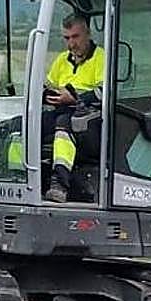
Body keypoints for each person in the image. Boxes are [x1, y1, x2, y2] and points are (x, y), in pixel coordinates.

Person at [42, 12, 105, 202]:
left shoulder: (101, 58)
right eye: (67, 38)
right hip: (62, 108)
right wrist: (48, 95)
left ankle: (59, 184)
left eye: (75, 37)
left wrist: (75, 98)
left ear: (88, 34)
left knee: (65, 122)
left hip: (92, 118)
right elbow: (47, 85)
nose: (71, 44)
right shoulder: (62, 59)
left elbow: (105, 92)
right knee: (26, 123)